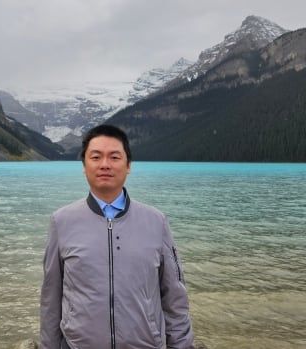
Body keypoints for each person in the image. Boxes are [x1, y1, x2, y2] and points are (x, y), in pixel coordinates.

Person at [40, 124, 194, 349]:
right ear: (84, 166)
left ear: (128, 165)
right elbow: (50, 301)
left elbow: (175, 298)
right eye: (95, 157)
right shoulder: (61, 222)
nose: (105, 165)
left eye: (114, 157)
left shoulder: (156, 222)